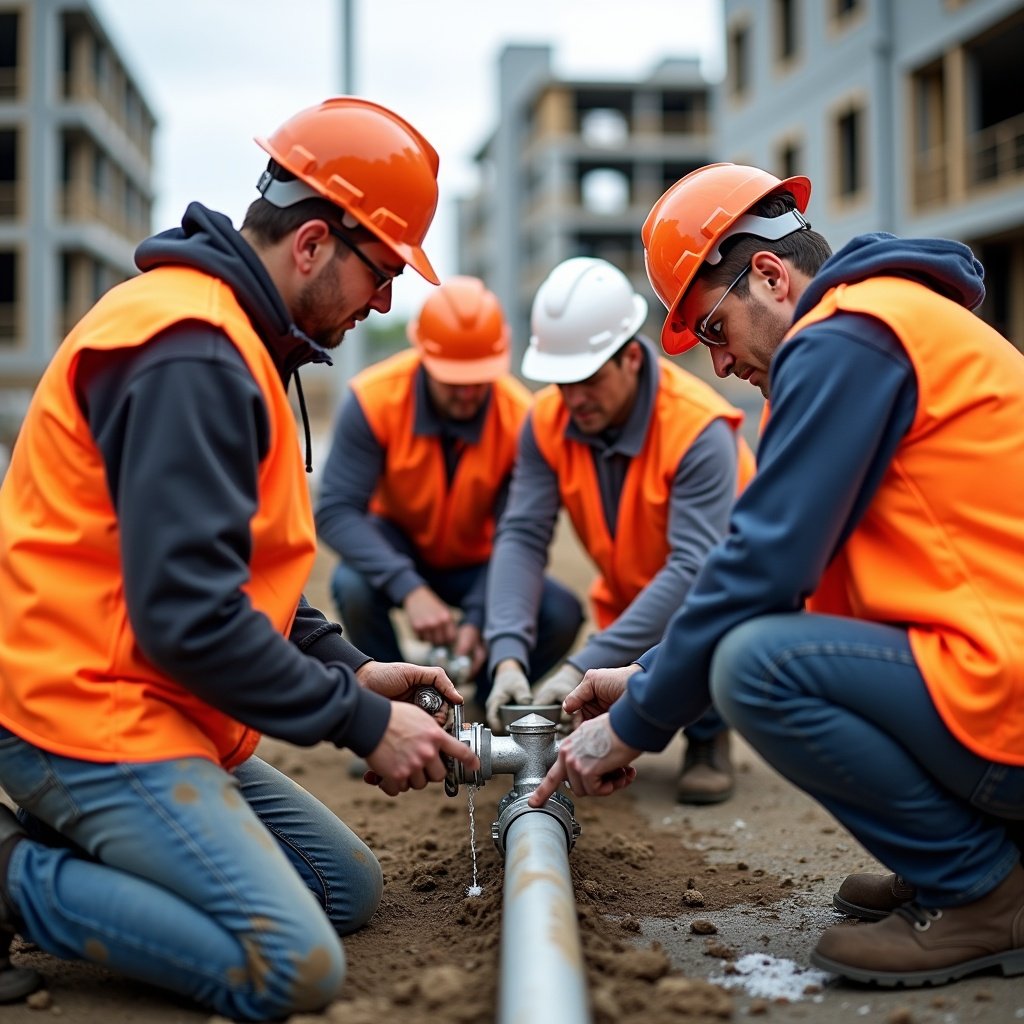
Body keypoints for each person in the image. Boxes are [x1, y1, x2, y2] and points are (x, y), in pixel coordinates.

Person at [0, 97, 478, 1017]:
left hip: (157, 700)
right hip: (78, 710)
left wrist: (352, 668)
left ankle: (121, 851)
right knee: (291, 964)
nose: (385, 302)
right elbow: (188, 615)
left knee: (348, 892)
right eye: (381, 273)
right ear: (310, 245)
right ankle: (17, 872)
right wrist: (361, 725)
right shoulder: (192, 354)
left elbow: (239, 571)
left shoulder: (238, 341)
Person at [531, 162, 1024, 989]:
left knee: (755, 664)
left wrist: (636, 724)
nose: (719, 365)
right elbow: (817, 584)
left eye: (714, 331)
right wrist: (643, 678)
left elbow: (762, 569)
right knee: (764, 647)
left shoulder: (846, 337)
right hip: (990, 667)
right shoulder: (887, 324)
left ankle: (982, 889)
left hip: (1004, 694)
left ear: (768, 274)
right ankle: (959, 858)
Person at [484, 257, 754, 803]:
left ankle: (707, 735)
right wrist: (507, 652)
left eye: (588, 378)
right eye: (562, 381)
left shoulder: (697, 427)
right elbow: (522, 535)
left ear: (632, 357)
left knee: (718, 630)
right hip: (630, 601)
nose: (574, 396)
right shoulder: (547, 420)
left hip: (721, 600)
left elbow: (694, 569)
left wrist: (580, 664)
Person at [315, 276, 583, 707]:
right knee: (354, 584)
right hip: (398, 546)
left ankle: (481, 697)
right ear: (423, 356)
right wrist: (410, 589)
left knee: (560, 611)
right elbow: (336, 511)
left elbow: (517, 534)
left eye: (479, 378)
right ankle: (393, 708)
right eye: (453, 379)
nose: (468, 392)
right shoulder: (374, 399)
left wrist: (479, 616)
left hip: (482, 563)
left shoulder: (521, 418)